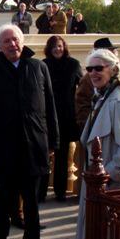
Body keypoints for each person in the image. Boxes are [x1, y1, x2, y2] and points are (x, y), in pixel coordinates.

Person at [0, 24, 59, 239]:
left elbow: (50, 107)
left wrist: (52, 141)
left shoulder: (38, 67)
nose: (12, 44)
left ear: (22, 41)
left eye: (15, 40)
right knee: (2, 202)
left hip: (33, 146)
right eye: (7, 41)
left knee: (32, 203)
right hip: (1, 149)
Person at [73, 49, 120, 239]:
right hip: (99, 186)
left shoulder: (119, 101)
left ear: (112, 70)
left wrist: (104, 177)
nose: (93, 73)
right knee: (100, 237)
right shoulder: (102, 98)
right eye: (89, 69)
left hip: (112, 187)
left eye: (98, 68)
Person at [41, 35, 83, 201]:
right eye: (54, 46)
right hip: (47, 115)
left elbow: (83, 87)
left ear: (64, 47)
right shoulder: (43, 64)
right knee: (45, 155)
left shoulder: (73, 65)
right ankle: (41, 192)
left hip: (66, 116)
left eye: (59, 46)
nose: (57, 49)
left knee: (63, 154)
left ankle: (60, 191)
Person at [75, 38, 119, 129]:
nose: (93, 73)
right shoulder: (87, 80)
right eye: (90, 69)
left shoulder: (119, 80)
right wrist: (91, 128)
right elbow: (83, 108)